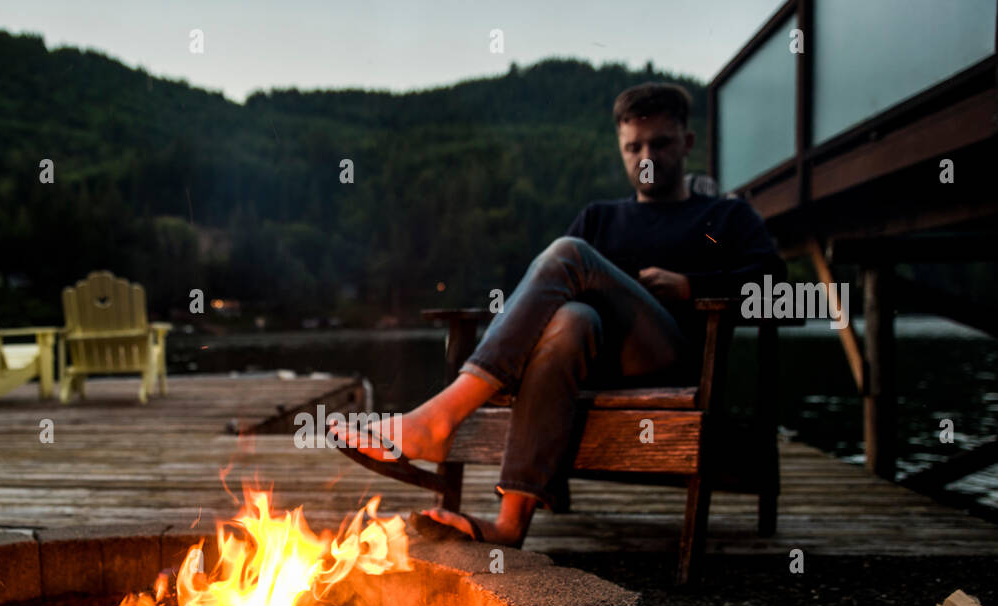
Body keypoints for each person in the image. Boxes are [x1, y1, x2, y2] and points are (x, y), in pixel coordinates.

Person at [333, 82, 786, 546]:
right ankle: (509, 525)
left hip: (672, 359)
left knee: (569, 253)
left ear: (688, 143)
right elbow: (545, 294)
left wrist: (693, 287)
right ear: (621, 149)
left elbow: (779, 290)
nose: (646, 156)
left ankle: (440, 416)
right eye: (634, 146)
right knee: (570, 320)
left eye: (661, 143)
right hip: (589, 362)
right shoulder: (600, 217)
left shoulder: (724, 217)